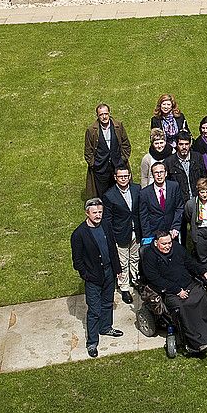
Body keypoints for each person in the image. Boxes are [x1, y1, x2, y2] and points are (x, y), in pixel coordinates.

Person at [140, 232, 207, 353]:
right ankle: (195, 342)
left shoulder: (176, 248)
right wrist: (176, 290)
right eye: (164, 244)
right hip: (168, 291)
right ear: (156, 243)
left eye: (169, 243)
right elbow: (154, 278)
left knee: (203, 296)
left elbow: (190, 262)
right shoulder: (149, 255)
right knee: (183, 306)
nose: (168, 246)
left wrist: (203, 271)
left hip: (188, 284)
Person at [71, 198, 123, 357]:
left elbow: (112, 248)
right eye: (95, 212)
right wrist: (86, 275)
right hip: (93, 278)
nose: (98, 215)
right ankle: (92, 342)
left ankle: (106, 327)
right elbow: (77, 261)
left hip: (109, 273)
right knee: (94, 310)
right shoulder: (79, 234)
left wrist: (117, 269)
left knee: (107, 302)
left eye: (100, 212)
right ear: (87, 213)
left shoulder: (106, 225)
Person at [100, 165, 141, 304]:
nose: (123, 179)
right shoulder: (109, 195)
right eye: (120, 177)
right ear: (115, 178)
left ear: (129, 176)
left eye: (126, 176)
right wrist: (111, 237)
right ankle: (124, 288)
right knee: (123, 263)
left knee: (135, 258)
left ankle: (136, 280)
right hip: (120, 233)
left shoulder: (137, 189)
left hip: (136, 232)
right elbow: (107, 219)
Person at [84, 103, 131, 200]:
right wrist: (94, 164)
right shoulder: (91, 130)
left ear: (109, 113)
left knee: (120, 191)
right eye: (101, 114)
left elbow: (126, 143)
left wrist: (123, 159)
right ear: (97, 116)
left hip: (118, 165)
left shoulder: (118, 126)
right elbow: (88, 151)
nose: (104, 117)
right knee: (103, 194)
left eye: (106, 113)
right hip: (100, 167)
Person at [139, 161, 182, 242]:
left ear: (165, 173)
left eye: (161, 172)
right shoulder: (145, 193)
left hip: (171, 231)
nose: (159, 175)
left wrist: (175, 227)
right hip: (154, 232)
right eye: (156, 172)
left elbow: (179, 207)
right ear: (152, 175)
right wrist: (147, 235)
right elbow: (143, 216)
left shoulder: (174, 186)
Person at [164, 130, 201, 202]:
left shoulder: (198, 158)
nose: (184, 147)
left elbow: (203, 177)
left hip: (197, 199)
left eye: (186, 144)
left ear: (190, 144)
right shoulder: (169, 162)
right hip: (180, 202)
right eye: (181, 144)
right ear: (177, 145)